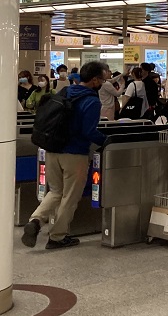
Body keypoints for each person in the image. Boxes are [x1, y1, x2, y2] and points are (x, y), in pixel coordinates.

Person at [22, 61, 108, 250]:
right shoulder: (92, 101)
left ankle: (35, 221)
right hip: (74, 154)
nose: (104, 81)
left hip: (52, 149)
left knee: (55, 191)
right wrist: (105, 140)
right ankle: (57, 237)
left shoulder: (66, 92)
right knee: (69, 196)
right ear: (94, 80)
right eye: (103, 78)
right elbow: (88, 131)